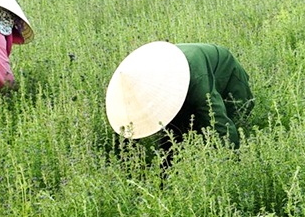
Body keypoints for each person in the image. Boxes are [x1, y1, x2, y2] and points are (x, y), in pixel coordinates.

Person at [105, 42, 254, 147]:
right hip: (181, 72)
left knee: (232, 118)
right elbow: (128, 129)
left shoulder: (198, 82)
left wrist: (230, 160)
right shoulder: (130, 82)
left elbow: (221, 127)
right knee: (175, 132)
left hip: (225, 73)